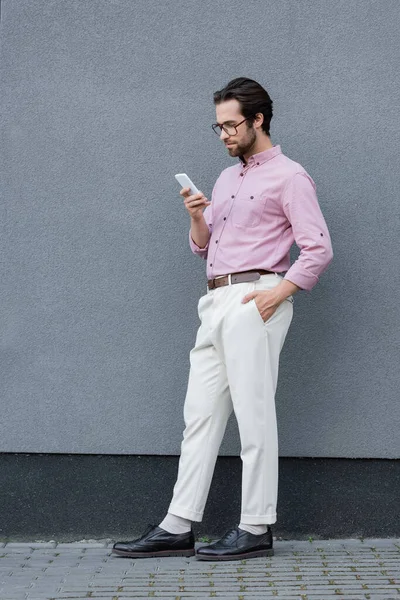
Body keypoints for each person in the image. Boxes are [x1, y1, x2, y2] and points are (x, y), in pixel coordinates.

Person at [113, 77, 333, 561]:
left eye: (231, 125)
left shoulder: (291, 176)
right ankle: (178, 524)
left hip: (255, 299)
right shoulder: (225, 178)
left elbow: (317, 248)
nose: (224, 135)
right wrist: (196, 216)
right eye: (217, 127)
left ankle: (255, 526)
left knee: (254, 416)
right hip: (214, 301)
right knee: (200, 415)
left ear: (258, 120)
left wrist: (278, 294)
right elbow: (204, 247)